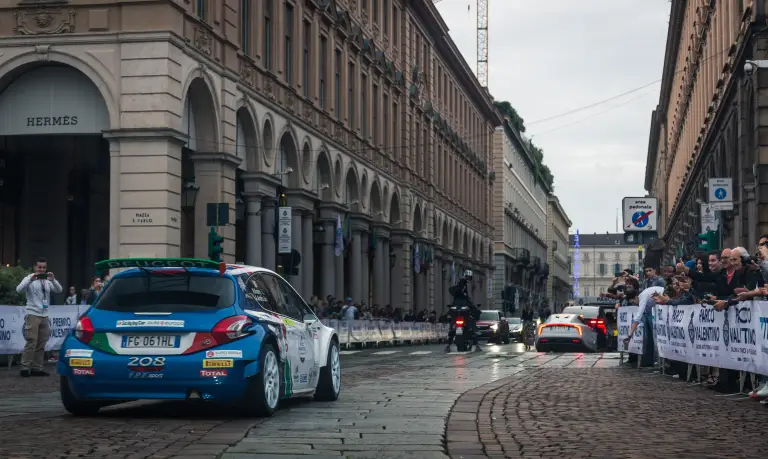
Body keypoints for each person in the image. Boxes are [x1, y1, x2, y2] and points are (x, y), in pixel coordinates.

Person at [15, 257, 63, 377]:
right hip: (32, 313)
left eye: (44, 267)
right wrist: (30, 279)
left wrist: (53, 280)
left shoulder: (47, 280)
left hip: (45, 314)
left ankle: (37, 368)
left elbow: (59, 290)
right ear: (35, 267)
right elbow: (18, 289)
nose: (41, 270)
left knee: (42, 342)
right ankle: (25, 367)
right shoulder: (29, 278)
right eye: (39, 267)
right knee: (31, 341)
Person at [445, 270, 482, 352]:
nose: (468, 278)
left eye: (469, 277)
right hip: (460, 311)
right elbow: (462, 294)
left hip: (460, 310)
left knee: (465, 326)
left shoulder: (462, 286)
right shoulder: (461, 284)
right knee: (470, 326)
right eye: (467, 277)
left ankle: (448, 345)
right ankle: (476, 344)